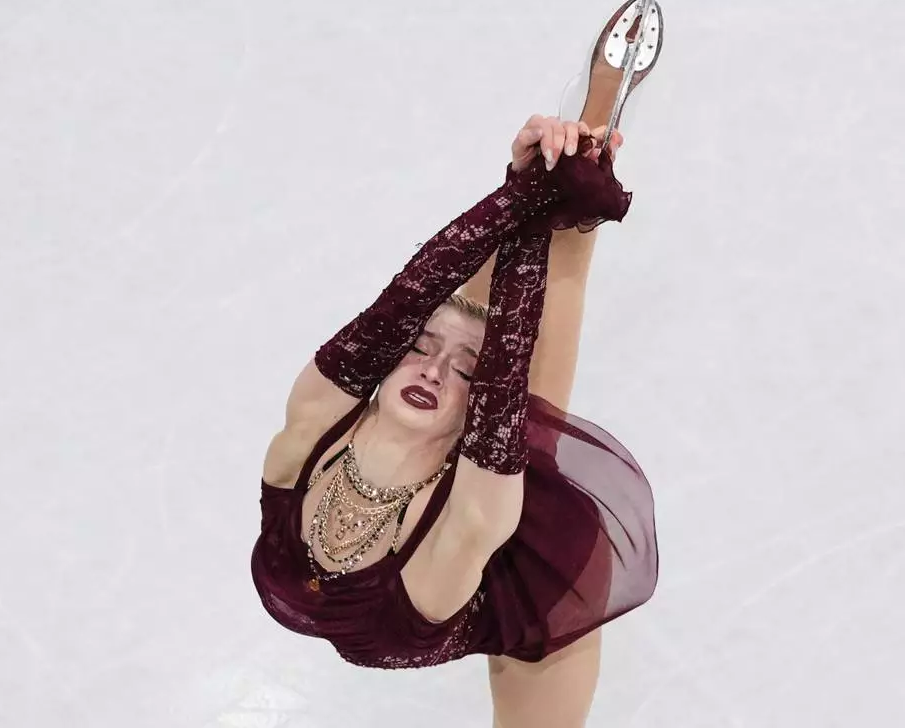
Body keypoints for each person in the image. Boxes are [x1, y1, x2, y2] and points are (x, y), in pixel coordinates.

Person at [250, 113, 658, 728]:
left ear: (480, 404)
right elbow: (407, 297)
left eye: (468, 372)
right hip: (470, 472)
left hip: (515, 574)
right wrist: (519, 187)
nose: (435, 370)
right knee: (459, 310)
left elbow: (504, 372)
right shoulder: (311, 428)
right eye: (416, 349)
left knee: (536, 351)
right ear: (384, 362)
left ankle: (578, 210)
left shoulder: (470, 519)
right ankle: (569, 183)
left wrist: (546, 202)